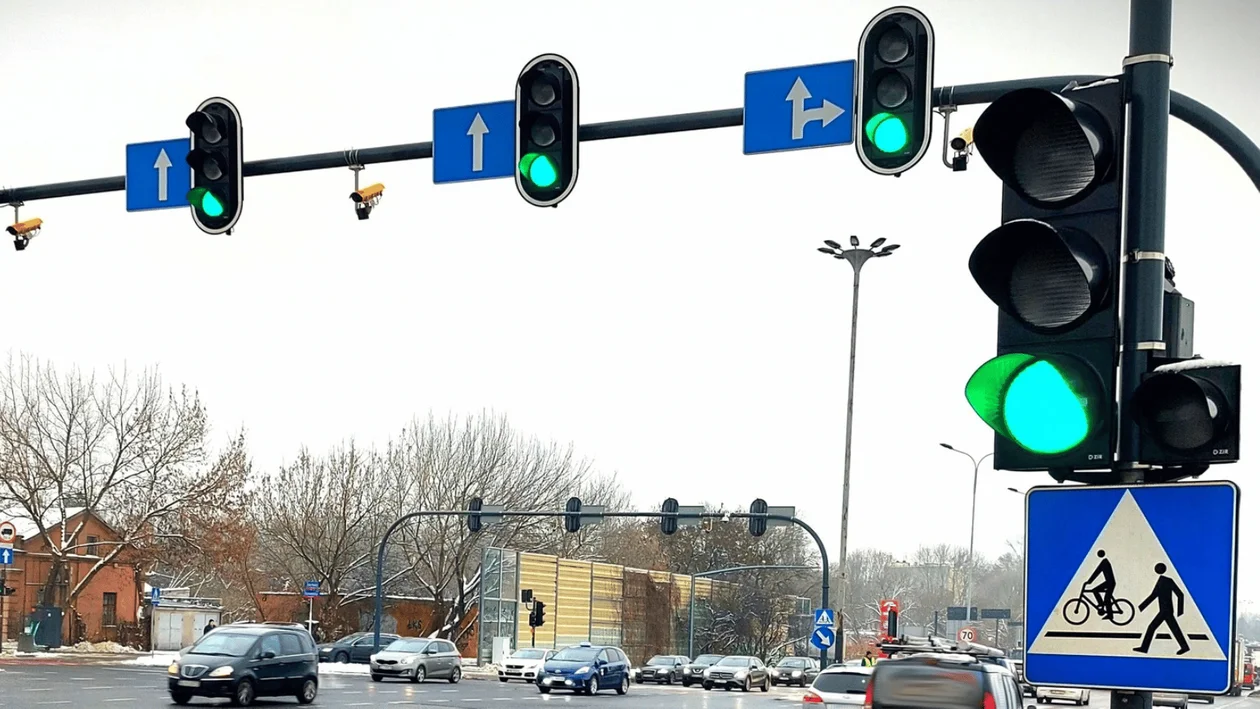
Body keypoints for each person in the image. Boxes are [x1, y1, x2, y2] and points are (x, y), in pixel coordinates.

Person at [1134, 562, 1189, 655]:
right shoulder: (1164, 580)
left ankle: (1144, 648)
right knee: (1173, 629)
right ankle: (1184, 647)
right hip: (1165, 610)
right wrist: (1142, 606)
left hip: (1166, 611)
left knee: (1153, 627)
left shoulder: (1164, 581)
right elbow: (1155, 595)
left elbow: (1180, 594)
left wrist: (1180, 611)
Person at [1084, 549, 1117, 619]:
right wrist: (1089, 581)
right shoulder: (1104, 562)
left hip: (1110, 583)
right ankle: (1101, 604)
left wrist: (1090, 581)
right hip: (1108, 582)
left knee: (1107, 599)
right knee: (1095, 590)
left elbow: (1097, 572)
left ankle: (1110, 615)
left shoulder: (1104, 563)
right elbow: (1097, 571)